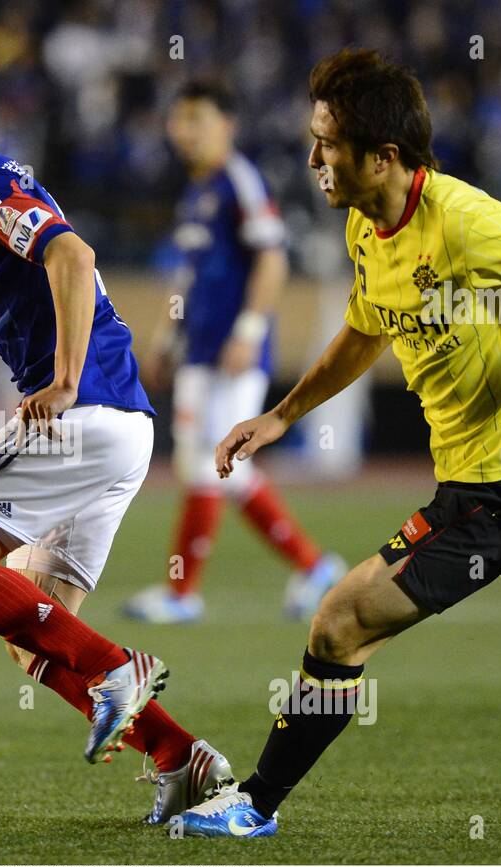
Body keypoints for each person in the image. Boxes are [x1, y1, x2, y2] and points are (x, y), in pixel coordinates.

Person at [176, 49, 501, 838]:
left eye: (327, 144)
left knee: (338, 621)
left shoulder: (468, 224)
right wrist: (282, 416)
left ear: (386, 156)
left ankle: (254, 805)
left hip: (499, 485)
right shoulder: (367, 226)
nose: (313, 160)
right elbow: (365, 330)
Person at [0, 49, 232, 823]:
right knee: (31, 634)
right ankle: (180, 754)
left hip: (79, 413)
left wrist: (60, 380)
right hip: (123, 430)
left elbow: (72, 252)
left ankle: (118, 670)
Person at [124, 80, 344, 625]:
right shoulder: (197, 192)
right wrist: (166, 338)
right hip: (199, 352)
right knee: (208, 466)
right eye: (178, 120)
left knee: (209, 464)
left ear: (227, 125)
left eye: (197, 118)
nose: (184, 131)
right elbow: (189, 277)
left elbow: (273, 259)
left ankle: (184, 592)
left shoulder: (239, 180)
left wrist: (248, 330)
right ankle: (314, 568)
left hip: (232, 353)